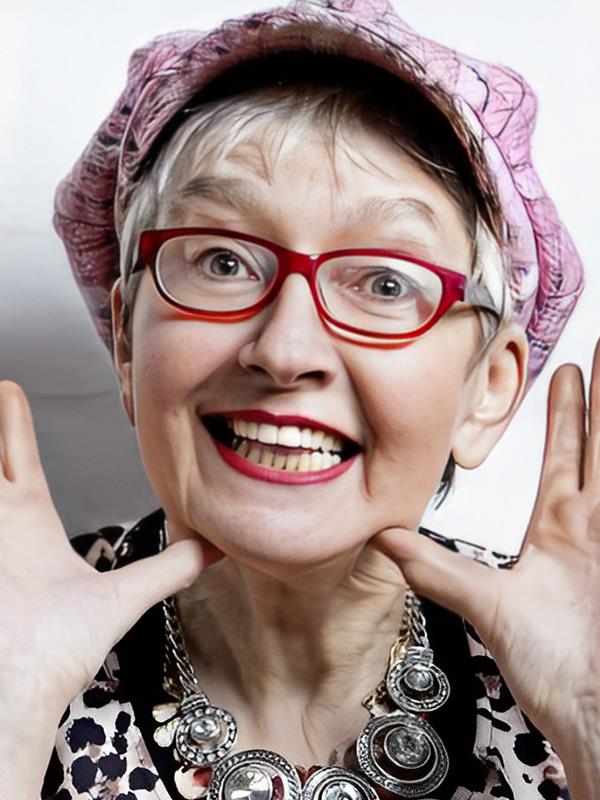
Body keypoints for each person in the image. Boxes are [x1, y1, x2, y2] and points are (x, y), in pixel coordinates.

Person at [1, 0, 598, 797]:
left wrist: (591, 725)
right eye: (221, 261)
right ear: (128, 344)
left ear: (486, 389)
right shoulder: (13, 633)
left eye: (385, 283)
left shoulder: (576, 647)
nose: (285, 350)